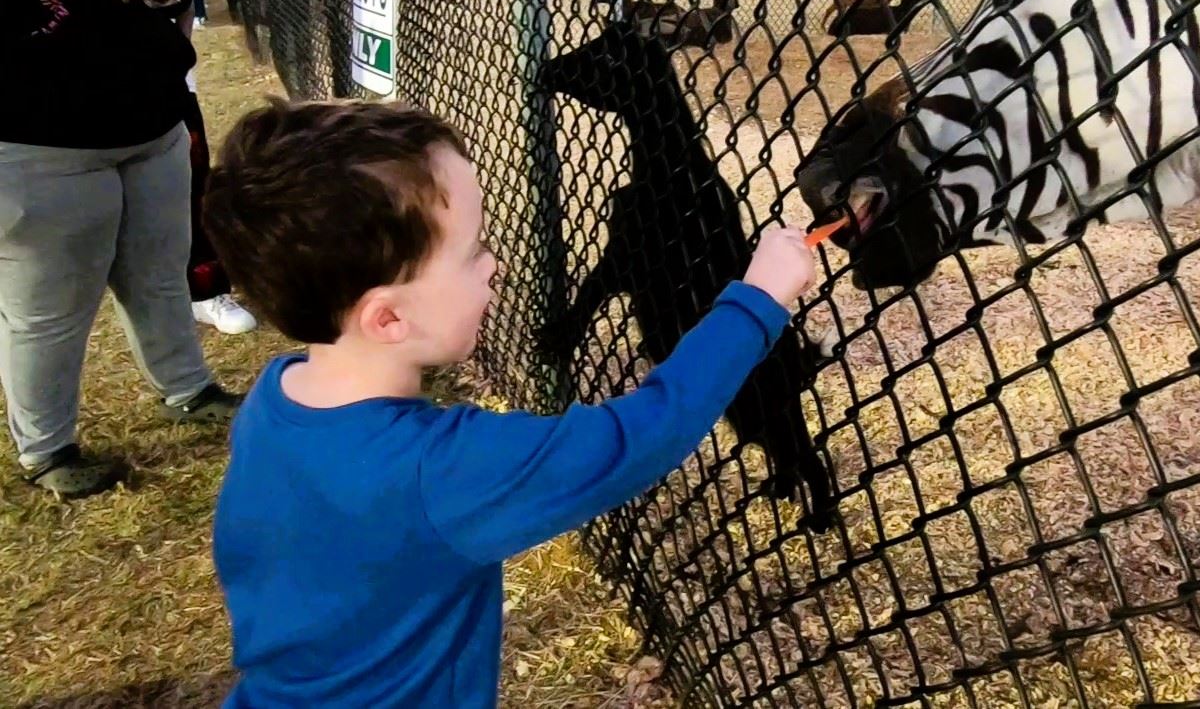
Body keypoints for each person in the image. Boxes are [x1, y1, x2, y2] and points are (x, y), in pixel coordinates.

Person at [202, 98, 817, 708]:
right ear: (388, 317)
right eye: (473, 253)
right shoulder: (440, 470)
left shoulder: (275, 398)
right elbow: (641, 436)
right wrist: (757, 299)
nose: (493, 266)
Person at [0, 0, 242, 499]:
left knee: (159, 269)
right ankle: (46, 446)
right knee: (48, 302)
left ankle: (187, 387)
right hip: (38, 134)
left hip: (146, 112)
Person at [69, 0, 257, 335]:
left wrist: (179, 56)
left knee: (189, 189)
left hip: (169, 91)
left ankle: (206, 289)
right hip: (90, 98)